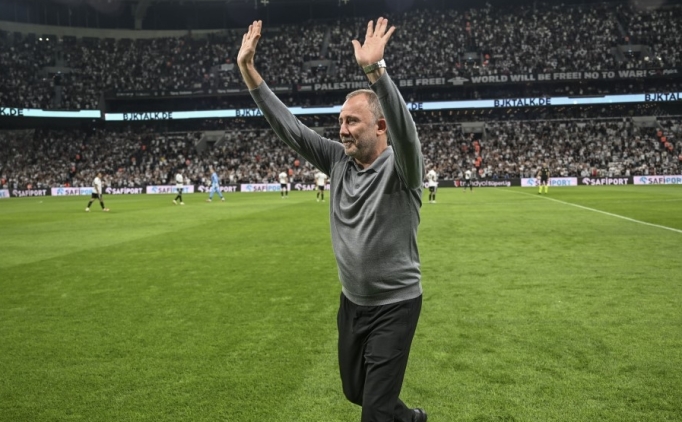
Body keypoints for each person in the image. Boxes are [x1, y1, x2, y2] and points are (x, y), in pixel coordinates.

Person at [237, 18, 427, 422]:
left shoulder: (403, 169)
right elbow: (291, 129)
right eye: (340, 121)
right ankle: (410, 418)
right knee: (356, 391)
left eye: (351, 121)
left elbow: (407, 134)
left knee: (374, 411)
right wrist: (248, 70)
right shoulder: (338, 161)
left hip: (395, 304)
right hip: (352, 303)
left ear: (380, 127)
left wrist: (376, 73)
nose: (342, 130)